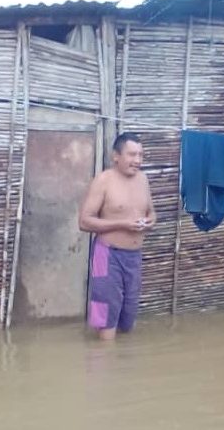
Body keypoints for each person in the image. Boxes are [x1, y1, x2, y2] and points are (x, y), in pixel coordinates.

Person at [78, 133, 156, 340]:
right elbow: (84, 221)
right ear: (116, 156)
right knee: (106, 310)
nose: (137, 160)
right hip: (106, 254)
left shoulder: (143, 180)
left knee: (129, 312)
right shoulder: (103, 181)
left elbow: (151, 212)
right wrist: (122, 224)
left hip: (134, 256)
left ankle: (121, 357)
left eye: (140, 155)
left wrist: (150, 221)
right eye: (132, 154)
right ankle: (103, 355)